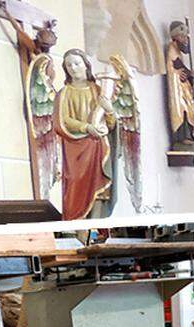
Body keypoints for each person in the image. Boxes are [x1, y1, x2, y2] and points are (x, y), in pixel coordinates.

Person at [53, 48, 114, 220]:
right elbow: (62, 120)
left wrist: (109, 111)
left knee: (99, 189)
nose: (73, 68)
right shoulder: (64, 93)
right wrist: (86, 127)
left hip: (97, 147)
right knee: (75, 189)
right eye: (69, 65)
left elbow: (111, 124)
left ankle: (96, 228)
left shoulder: (98, 90)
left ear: (85, 65)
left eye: (77, 63)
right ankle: (77, 232)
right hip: (75, 150)